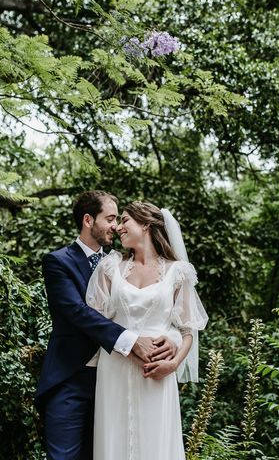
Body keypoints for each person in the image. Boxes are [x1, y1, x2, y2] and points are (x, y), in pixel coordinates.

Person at [35, 191, 177, 460]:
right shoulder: (58, 262)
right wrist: (132, 340)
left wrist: (169, 342)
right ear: (88, 220)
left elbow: (153, 310)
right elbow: (76, 311)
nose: (117, 226)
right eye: (110, 218)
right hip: (71, 378)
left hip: (116, 382)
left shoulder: (123, 265)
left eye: (119, 219)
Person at [86, 201, 208, 459]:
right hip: (115, 367)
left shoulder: (178, 273)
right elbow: (94, 320)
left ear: (146, 225)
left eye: (125, 220)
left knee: (155, 442)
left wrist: (173, 364)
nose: (118, 227)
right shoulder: (110, 267)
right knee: (114, 439)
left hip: (157, 371)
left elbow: (188, 331)